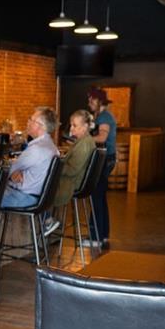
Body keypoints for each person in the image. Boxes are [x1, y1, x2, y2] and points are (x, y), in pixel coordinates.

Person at [0, 106, 59, 254]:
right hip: (40, 199)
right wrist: (18, 172)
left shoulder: (36, 149)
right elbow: (15, 170)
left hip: (25, 197)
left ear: (40, 126)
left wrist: (16, 172)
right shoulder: (52, 146)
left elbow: (8, 170)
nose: (28, 122)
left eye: (31, 119)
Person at [51, 108, 97, 227]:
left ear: (85, 127)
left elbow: (72, 170)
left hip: (73, 183)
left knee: (42, 189)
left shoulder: (84, 144)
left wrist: (54, 166)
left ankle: (47, 223)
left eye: (74, 125)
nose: (71, 129)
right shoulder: (84, 141)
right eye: (71, 125)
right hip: (77, 181)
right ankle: (49, 223)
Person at [88, 87, 118, 248]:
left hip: (104, 160)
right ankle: (103, 235)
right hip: (107, 159)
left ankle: (96, 237)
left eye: (91, 99)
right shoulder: (101, 116)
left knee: (96, 197)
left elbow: (102, 137)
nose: (89, 102)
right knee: (100, 197)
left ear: (99, 101)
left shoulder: (104, 116)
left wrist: (83, 139)